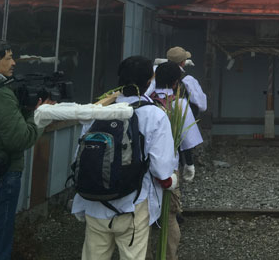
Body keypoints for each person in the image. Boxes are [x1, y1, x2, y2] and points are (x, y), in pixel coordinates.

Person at [71, 56, 177, 260]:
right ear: (149, 81)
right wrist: (171, 181)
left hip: (95, 203)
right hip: (132, 204)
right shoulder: (155, 115)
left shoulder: (99, 111)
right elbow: (161, 169)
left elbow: (79, 158)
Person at [0, 39, 54, 259]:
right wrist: (40, 116)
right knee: (0, 237)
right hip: (3, 173)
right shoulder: (0, 94)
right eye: (8, 58)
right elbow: (19, 139)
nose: (14, 63)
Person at [147, 61, 203, 260]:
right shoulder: (178, 103)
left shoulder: (145, 101)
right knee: (170, 216)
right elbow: (187, 141)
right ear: (175, 82)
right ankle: (169, 256)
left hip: (144, 169)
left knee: (144, 215)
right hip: (169, 169)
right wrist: (189, 163)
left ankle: (146, 255)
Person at [166, 47, 207, 118]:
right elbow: (202, 105)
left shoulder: (157, 75)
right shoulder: (188, 80)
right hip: (182, 120)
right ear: (183, 63)